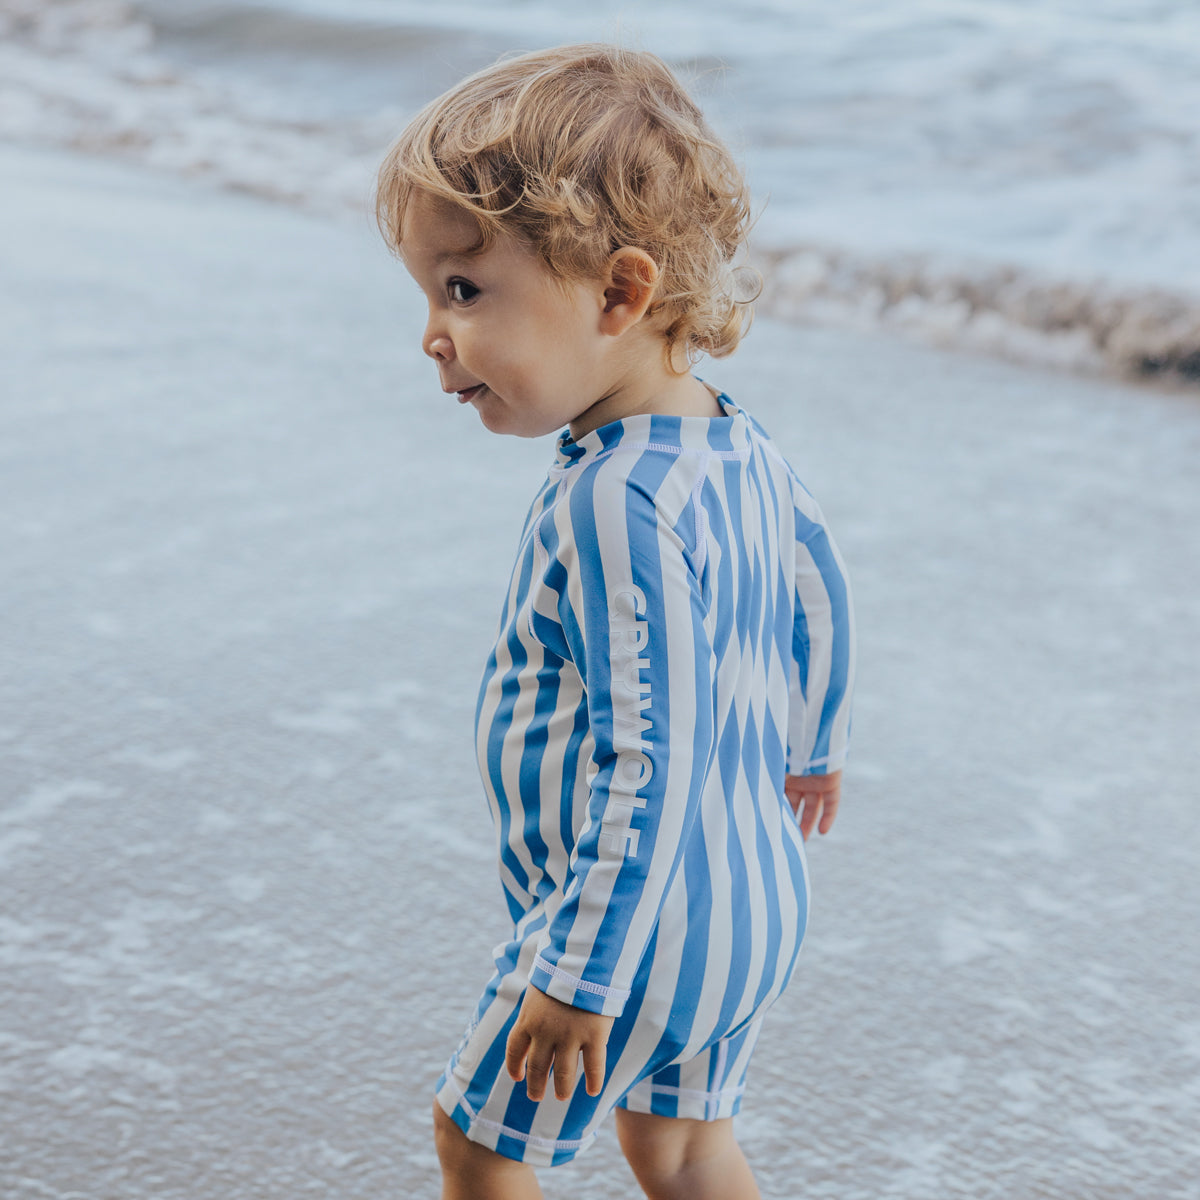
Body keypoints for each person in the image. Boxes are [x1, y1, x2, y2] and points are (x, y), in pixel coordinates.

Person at [376, 43, 855, 1200]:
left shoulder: (612, 500)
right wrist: (818, 745)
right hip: (753, 895)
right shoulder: (738, 442)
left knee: (478, 1142)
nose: (433, 335)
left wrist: (582, 974)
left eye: (464, 289)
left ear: (620, 291)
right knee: (681, 1146)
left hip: (633, 923)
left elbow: (659, 754)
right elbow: (820, 592)